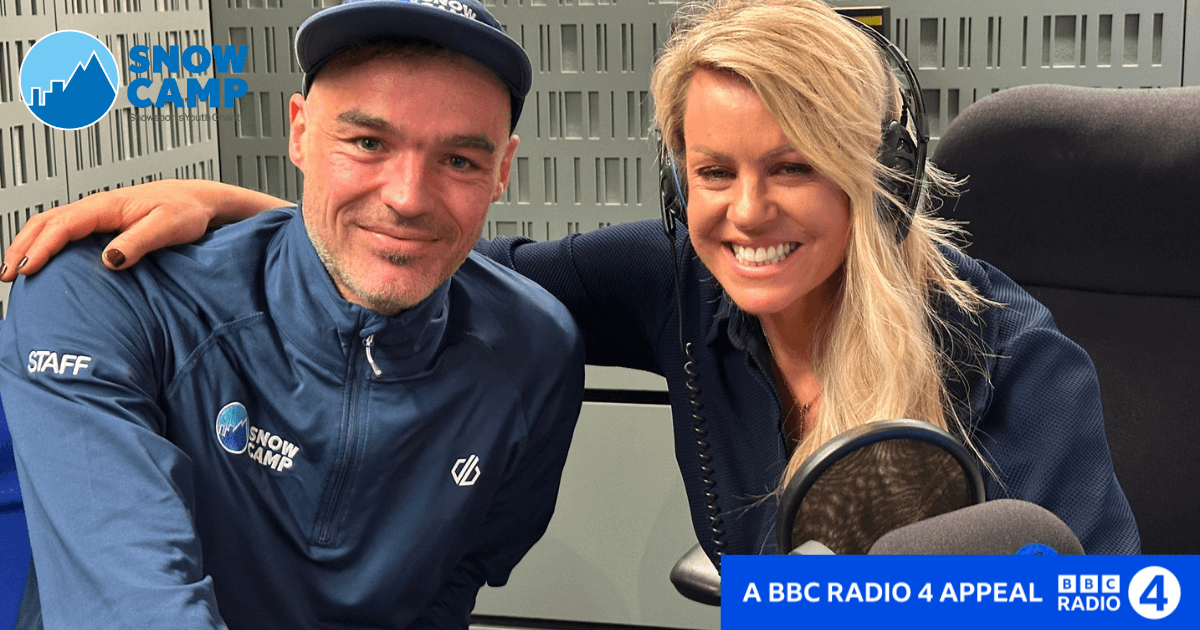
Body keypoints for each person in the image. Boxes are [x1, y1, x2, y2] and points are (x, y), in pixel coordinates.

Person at [4, 0, 1138, 559]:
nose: (747, 213)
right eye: (715, 172)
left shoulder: (1008, 353)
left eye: (796, 168)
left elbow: (1108, 606)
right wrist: (233, 206)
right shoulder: (673, 283)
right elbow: (437, 256)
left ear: (878, 177)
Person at [0, 0, 585, 628]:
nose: (408, 198)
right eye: (368, 142)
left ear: (501, 170)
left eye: (459, 160)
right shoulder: (102, 292)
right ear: (299, 133)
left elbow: (460, 574)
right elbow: (134, 608)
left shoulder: (535, 348)